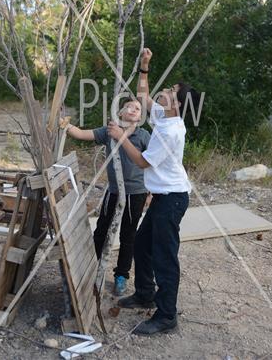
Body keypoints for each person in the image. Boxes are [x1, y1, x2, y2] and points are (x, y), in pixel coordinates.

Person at [108, 48, 201, 335]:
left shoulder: (170, 131)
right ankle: (145, 293)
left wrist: (121, 136)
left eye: (172, 91)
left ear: (177, 104)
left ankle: (166, 316)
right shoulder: (164, 115)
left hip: (172, 199)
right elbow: (144, 96)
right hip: (163, 198)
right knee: (141, 244)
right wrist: (145, 66)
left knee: (164, 256)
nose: (167, 89)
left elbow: (141, 161)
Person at [62, 98, 150, 296]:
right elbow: (81, 134)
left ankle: (121, 276)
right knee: (101, 229)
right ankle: (91, 267)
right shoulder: (109, 131)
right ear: (120, 112)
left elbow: (152, 163)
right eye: (130, 106)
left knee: (129, 235)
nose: (135, 110)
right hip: (113, 192)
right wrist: (65, 124)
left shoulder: (143, 136)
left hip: (136, 193)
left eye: (138, 108)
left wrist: (150, 192)